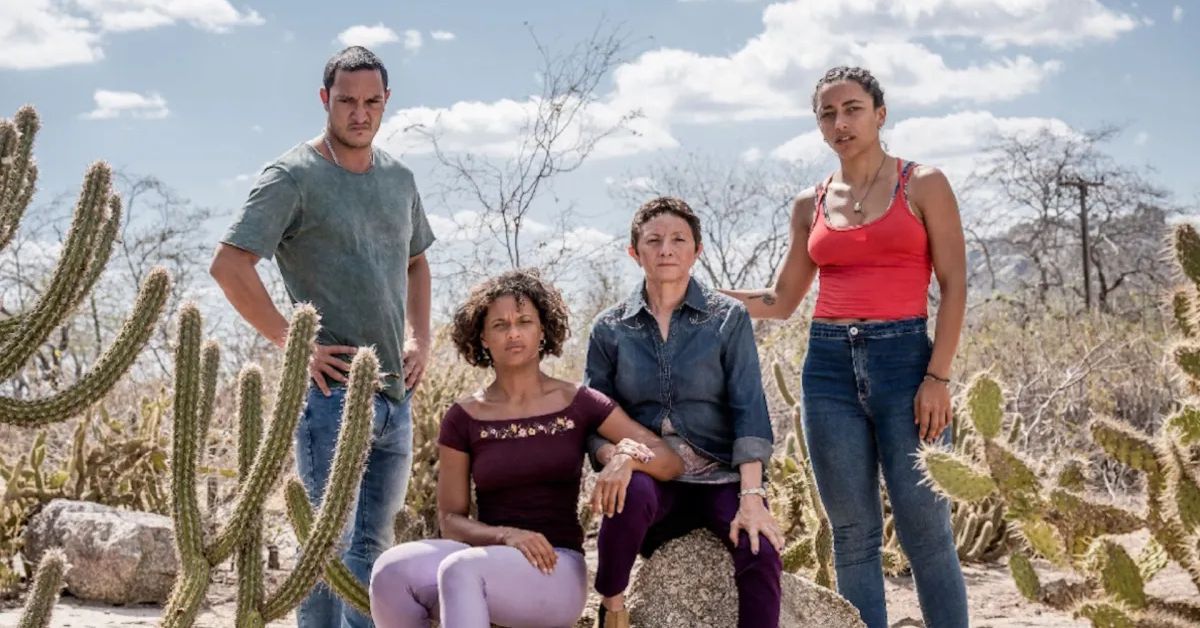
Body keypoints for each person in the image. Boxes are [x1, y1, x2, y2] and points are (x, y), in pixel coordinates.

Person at [722, 66, 969, 628]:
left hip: (907, 361)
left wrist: (938, 377)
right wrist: (698, 295)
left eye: (852, 109)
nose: (840, 122)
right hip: (828, 368)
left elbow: (954, 285)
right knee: (852, 534)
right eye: (827, 114)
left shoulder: (923, 183)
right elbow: (782, 300)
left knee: (926, 531)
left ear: (880, 114)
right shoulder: (808, 204)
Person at [209, 46, 435, 628]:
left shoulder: (399, 178)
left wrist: (421, 338)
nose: (360, 113)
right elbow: (230, 265)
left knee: (374, 552)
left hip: (395, 395)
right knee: (324, 550)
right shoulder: (292, 176)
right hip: (332, 396)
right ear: (324, 99)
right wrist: (295, 343)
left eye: (372, 102)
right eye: (346, 101)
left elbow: (417, 262)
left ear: (387, 102)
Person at [369, 269, 683, 628]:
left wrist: (626, 458)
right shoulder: (463, 417)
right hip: (485, 556)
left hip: (555, 566)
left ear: (542, 330)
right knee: (390, 571)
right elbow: (451, 520)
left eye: (524, 321)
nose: (513, 333)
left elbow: (669, 460)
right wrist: (506, 535)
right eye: (499, 325)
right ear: (483, 337)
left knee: (462, 569)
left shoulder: (578, 402)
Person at [585, 196, 783, 628]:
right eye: (653, 240)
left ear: (697, 250)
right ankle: (613, 609)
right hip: (653, 479)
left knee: (760, 550)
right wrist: (614, 457)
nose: (666, 250)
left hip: (719, 477)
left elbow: (749, 408)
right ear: (634, 252)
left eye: (679, 240)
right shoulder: (610, 328)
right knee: (628, 494)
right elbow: (595, 417)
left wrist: (752, 497)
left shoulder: (727, 317)